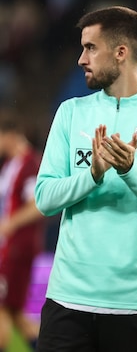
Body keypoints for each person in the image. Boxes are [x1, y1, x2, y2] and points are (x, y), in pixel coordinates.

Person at [34, 6, 137, 352]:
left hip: (136, 304)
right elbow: (44, 198)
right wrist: (92, 174)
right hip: (68, 299)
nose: (81, 58)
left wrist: (130, 171)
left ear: (121, 53)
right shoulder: (71, 111)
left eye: (91, 47)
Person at [0, 116, 45, 351]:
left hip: (18, 248)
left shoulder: (30, 164)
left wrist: (10, 223)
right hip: (8, 247)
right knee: (15, 312)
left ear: (10, 134)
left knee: (1, 308)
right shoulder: (10, 164)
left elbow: (37, 205)